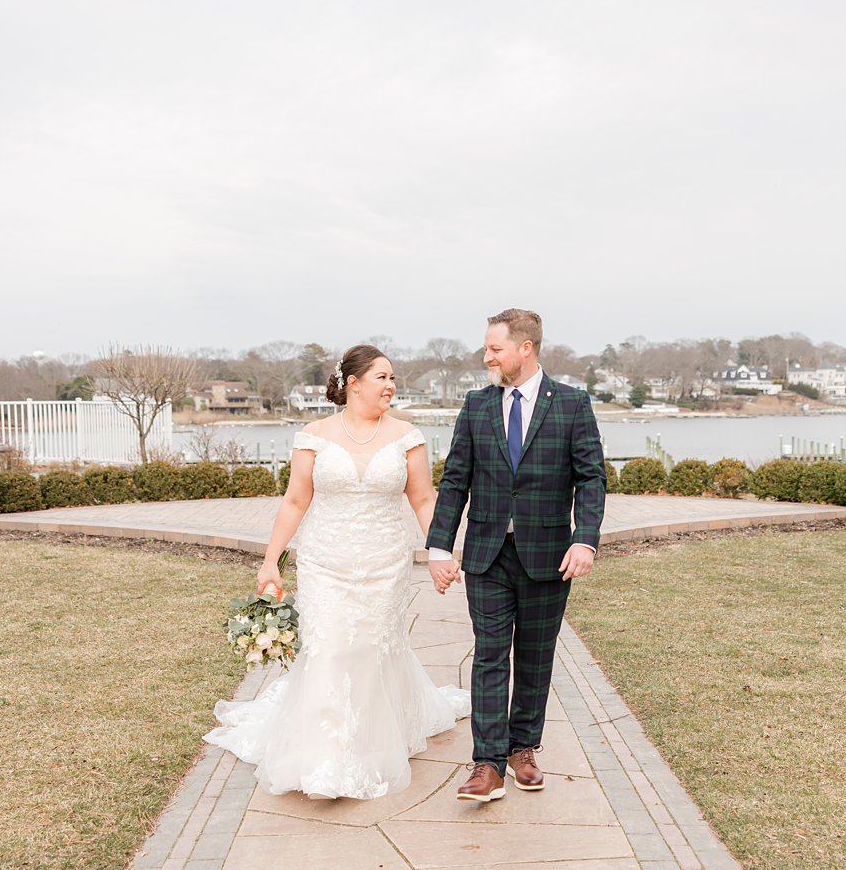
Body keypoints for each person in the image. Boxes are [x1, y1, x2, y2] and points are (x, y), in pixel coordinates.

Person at [203, 344, 471, 800]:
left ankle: (367, 744)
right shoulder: (314, 435)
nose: (391, 386)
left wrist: (441, 552)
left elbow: (424, 500)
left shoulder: (407, 436)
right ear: (353, 383)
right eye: (382, 377)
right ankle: (325, 756)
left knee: (370, 649)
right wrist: (271, 560)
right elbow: (295, 501)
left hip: (385, 561)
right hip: (325, 560)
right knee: (327, 650)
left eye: (392, 378)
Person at [426, 309, 606, 802]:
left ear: (524, 348)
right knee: (489, 656)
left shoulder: (571, 404)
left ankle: (522, 747)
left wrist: (584, 538)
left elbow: (591, 477)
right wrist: (440, 546)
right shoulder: (477, 405)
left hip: (549, 554)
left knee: (535, 658)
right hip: (486, 554)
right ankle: (487, 763)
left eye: (494, 348)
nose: (487, 356)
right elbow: (455, 479)